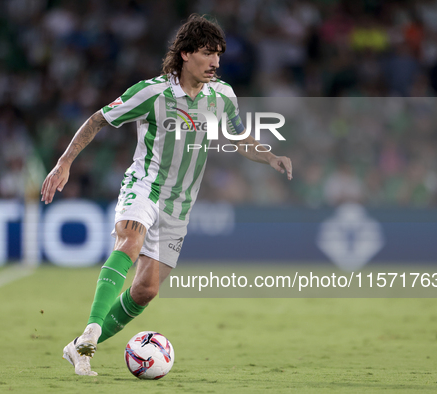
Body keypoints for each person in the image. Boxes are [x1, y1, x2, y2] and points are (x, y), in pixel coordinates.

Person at [40, 14, 293, 376]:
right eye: (208, 53)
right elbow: (98, 119)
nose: (216, 62)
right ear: (186, 54)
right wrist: (64, 163)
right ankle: (92, 332)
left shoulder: (222, 96)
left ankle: (77, 345)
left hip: (180, 205)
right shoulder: (152, 92)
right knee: (129, 241)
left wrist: (269, 156)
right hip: (145, 187)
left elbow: (240, 139)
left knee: (146, 290)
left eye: (219, 54)